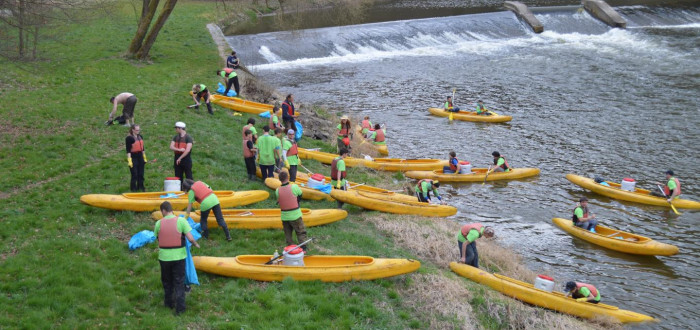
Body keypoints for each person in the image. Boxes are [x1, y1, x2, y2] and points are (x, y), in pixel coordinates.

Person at [154, 201, 200, 315]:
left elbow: (156, 236)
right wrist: (195, 243)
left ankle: (168, 303)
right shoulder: (181, 221)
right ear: (171, 209)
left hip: (164, 257)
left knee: (167, 281)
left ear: (163, 211)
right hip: (179, 257)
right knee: (179, 282)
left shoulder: (159, 223)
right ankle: (180, 309)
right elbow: (190, 237)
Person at [275, 171, 308, 249]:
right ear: (288, 177)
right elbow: (300, 195)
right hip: (295, 215)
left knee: (288, 234)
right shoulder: (294, 187)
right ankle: (303, 248)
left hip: (284, 217)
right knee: (300, 232)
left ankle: (290, 249)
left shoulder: (277, 190)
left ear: (280, 179)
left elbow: (279, 200)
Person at [170, 122, 193, 190]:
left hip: (186, 159)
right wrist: (179, 149)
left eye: (176, 128)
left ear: (180, 128)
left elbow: (187, 150)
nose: (176, 130)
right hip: (177, 157)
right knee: (178, 176)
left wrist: (180, 158)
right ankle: (179, 189)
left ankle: (191, 190)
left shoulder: (188, 138)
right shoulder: (175, 137)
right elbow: (171, 146)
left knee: (188, 175)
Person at [125, 125, 147, 192]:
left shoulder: (140, 137)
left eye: (139, 130)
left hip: (140, 156)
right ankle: (133, 188)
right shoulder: (129, 138)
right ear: (133, 130)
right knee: (134, 174)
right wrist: (129, 160)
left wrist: (144, 157)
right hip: (133, 156)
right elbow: (128, 150)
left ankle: (141, 186)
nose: (138, 131)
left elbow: (142, 148)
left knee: (141, 173)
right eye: (137, 130)